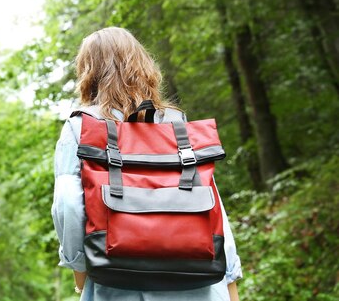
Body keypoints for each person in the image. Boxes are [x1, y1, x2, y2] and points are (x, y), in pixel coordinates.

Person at [51, 27, 242, 300]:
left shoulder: (81, 127)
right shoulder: (176, 124)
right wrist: (230, 282)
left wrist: (80, 270)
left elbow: (68, 205)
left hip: (115, 282)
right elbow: (213, 207)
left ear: (88, 72)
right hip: (196, 283)